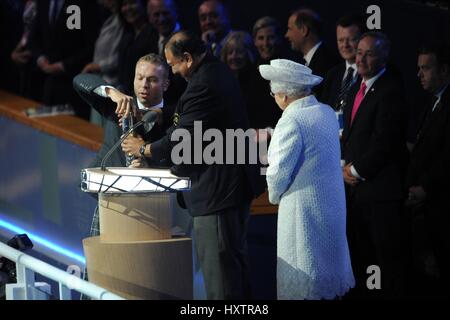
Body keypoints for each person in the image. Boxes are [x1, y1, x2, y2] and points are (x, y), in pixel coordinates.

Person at [124, 30, 264, 299]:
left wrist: (144, 149)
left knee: (220, 280)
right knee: (234, 273)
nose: (174, 72)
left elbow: (183, 136)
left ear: (187, 58)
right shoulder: (215, 71)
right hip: (232, 189)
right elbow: (191, 113)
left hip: (218, 195)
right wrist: (162, 112)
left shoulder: (203, 84)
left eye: (173, 65)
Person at [259, 59, 354, 300]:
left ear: (284, 95)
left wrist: (273, 195)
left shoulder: (291, 120)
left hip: (303, 216)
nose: (273, 97)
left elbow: (278, 172)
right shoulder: (326, 112)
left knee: (306, 283)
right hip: (331, 211)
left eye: (273, 93)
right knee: (328, 283)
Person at [73, 53, 173, 236]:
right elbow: (80, 81)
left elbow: (177, 163)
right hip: (110, 201)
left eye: (152, 80)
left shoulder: (173, 117)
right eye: (140, 78)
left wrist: (149, 164)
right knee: (101, 262)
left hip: (151, 210)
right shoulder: (117, 104)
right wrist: (112, 92)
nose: (144, 85)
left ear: (165, 84)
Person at [341, 32, 409, 299]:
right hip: (358, 197)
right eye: (359, 52)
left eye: (369, 54)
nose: (361, 59)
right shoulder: (357, 88)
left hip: (382, 196)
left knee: (388, 268)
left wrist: (354, 172)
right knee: (362, 264)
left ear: (384, 57)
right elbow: (352, 137)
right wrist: (344, 166)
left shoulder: (391, 90)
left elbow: (385, 143)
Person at [405, 44, 450, 298]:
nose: (420, 74)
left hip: (441, 206)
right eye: (418, 68)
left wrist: (427, 188)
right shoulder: (432, 102)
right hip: (426, 208)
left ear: (444, 70)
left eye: (426, 68)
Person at [81, 0, 127, 126]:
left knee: (105, 130)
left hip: (112, 86)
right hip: (101, 84)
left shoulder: (122, 23)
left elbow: (119, 57)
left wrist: (97, 66)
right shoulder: (111, 19)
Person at [285, 8, 339, 96]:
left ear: (303, 30)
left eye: (290, 29)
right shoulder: (307, 62)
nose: (286, 35)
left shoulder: (327, 62)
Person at [321, 14, 365, 112]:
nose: (345, 45)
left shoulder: (369, 73)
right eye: (341, 40)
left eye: (351, 40)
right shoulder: (332, 75)